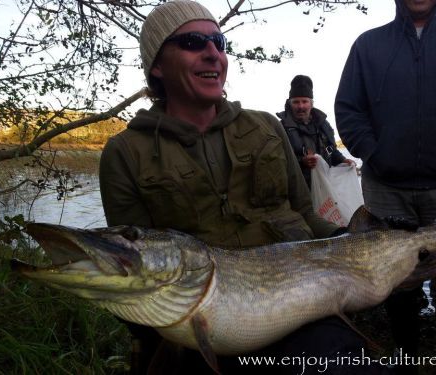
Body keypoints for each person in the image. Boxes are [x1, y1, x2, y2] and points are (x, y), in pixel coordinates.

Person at [99, 1, 387, 374]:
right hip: (197, 328)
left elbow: (304, 215)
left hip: (300, 311)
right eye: (192, 42)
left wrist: (360, 241)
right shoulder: (125, 153)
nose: (213, 54)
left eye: (218, 42)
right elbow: (132, 266)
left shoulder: (267, 127)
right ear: (157, 64)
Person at [335, 0, 436, 374]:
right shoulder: (367, 45)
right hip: (385, 185)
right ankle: (405, 362)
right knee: (397, 278)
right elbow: (349, 108)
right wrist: (374, 151)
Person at [277, 75, 355, 188]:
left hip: (325, 187)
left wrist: (343, 160)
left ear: (311, 103)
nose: (300, 106)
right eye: (296, 102)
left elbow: (332, 151)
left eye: (304, 101)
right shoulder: (280, 128)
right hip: (297, 190)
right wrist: (301, 161)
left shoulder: (323, 125)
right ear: (289, 103)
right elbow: (277, 162)